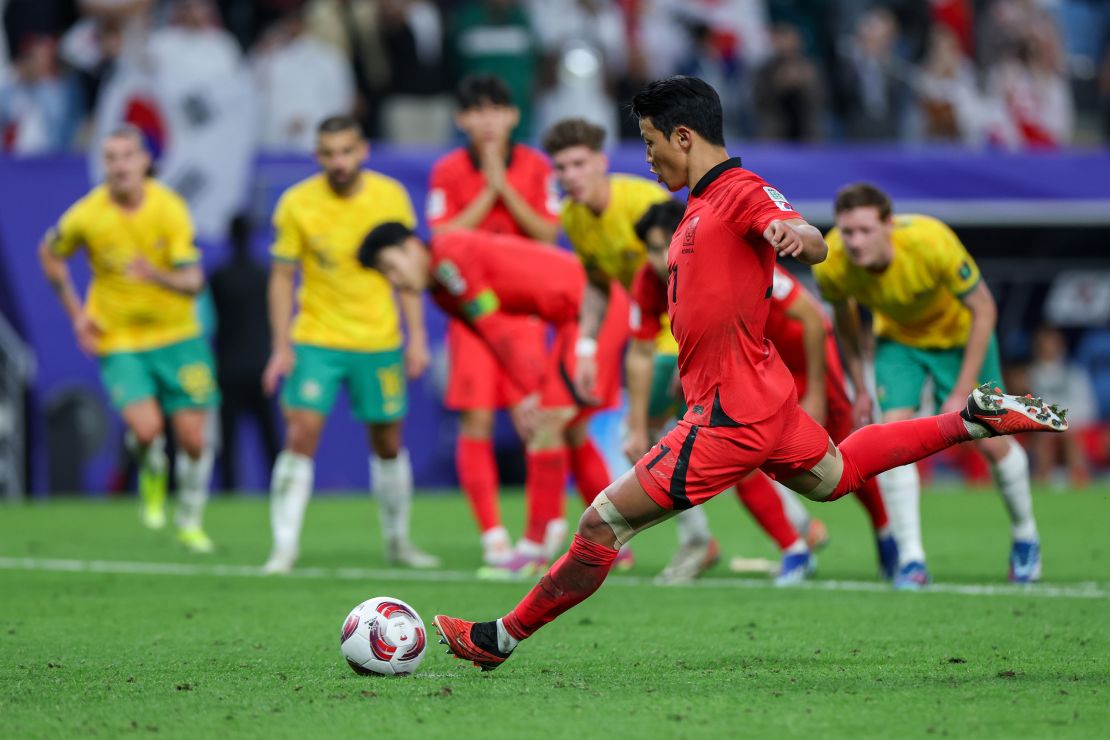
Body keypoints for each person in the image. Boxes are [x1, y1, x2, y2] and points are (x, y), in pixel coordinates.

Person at [429, 75, 1068, 671]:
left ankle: (499, 638)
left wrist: (798, 237)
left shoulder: (737, 191)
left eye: (652, 144)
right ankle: (969, 420)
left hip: (728, 414)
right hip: (766, 401)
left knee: (601, 524)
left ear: (684, 136)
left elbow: (800, 232)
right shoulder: (696, 207)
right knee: (837, 475)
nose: (648, 159)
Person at [544, 117, 814, 585]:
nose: (570, 175)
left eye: (579, 163)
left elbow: (707, 264)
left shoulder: (649, 201)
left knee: (684, 442)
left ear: (601, 163)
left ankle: (772, 533)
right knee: (678, 445)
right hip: (666, 341)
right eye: (561, 166)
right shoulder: (575, 220)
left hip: (702, 344)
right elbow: (604, 293)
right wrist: (585, 348)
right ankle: (781, 529)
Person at [629, 201, 897, 582]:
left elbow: (812, 318)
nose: (657, 259)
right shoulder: (649, 282)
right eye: (650, 250)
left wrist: (817, 393)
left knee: (842, 456)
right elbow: (642, 350)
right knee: (735, 455)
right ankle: (794, 547)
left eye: (662, 247)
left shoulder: (722, 257)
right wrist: (638, 421)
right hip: (752, 371)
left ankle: (885, 532)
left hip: (804, 360)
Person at [358, 223, 629, 577]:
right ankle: (614, 545)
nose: (394, 280)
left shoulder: (449, 259)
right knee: (570, 430)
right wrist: (525, 390)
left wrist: (530, 390)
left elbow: (497, 329)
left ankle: (535, 548)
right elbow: (490, 336)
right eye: (384, 275)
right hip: (577, 316)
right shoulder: (440, 290)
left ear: (412, 246)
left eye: (392, 266)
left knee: (548, 425)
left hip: (592, 312)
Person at [815, 182, 1044, 589]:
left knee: (991, 442)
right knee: (890, 439)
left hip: (960, 339)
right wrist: (860, 386)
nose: (854, 241)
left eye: (865, 230)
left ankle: (1026, 537)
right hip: (899, 344)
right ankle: (911, 561)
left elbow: (985, 309)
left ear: (889, 224)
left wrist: (960, 391)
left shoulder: (930, 241)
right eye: (847, 231)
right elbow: (845, 324)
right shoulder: (832, 261)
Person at [260, 115, 437, 574]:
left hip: (378, 339)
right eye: (328, 154)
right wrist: (281, 345)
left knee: (387, 440)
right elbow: (281, 277)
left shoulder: (390, 197)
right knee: (300, 432)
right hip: (316, 337)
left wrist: (417, 338)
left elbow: (407, 271)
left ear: (362, 151)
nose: (338, 162)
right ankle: (283, 548)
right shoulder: (296, 203)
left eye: (346, 151)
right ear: (317, 156)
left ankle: (399, 541)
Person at [38, 125, 219, 553]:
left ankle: (190, 519)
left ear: (144, 161)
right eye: (111, 158)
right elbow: (50, 253)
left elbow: (194, 281)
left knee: (194, 439)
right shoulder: (87, 214)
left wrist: (154, 274)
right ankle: (151, 470)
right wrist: (78, 316)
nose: (119, 166)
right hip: (120, 338)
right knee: (147, 428)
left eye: (127, 156)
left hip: (179, 335)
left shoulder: (169, 208)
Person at [426, 74, 560, 567]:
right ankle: (492, 536)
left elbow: (547, 233)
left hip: (525, 311)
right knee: (476, 418)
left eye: (495, 110)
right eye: (475, 112)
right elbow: (441, 237)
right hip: (473, 316)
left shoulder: (537, 165)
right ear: (461, 120)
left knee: (540, 422)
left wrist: (504, 187)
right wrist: (491, 189)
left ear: (513, 115)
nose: (486, 120)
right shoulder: (447, 170)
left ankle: (541, 529)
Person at [208, 214, 280, 490]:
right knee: (270, 437)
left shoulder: (219, 277)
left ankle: (229, 490)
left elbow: (211, 319)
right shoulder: (263, 275)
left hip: (228, 367)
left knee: (228, 440)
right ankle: (279, 492)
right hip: (260, 365)